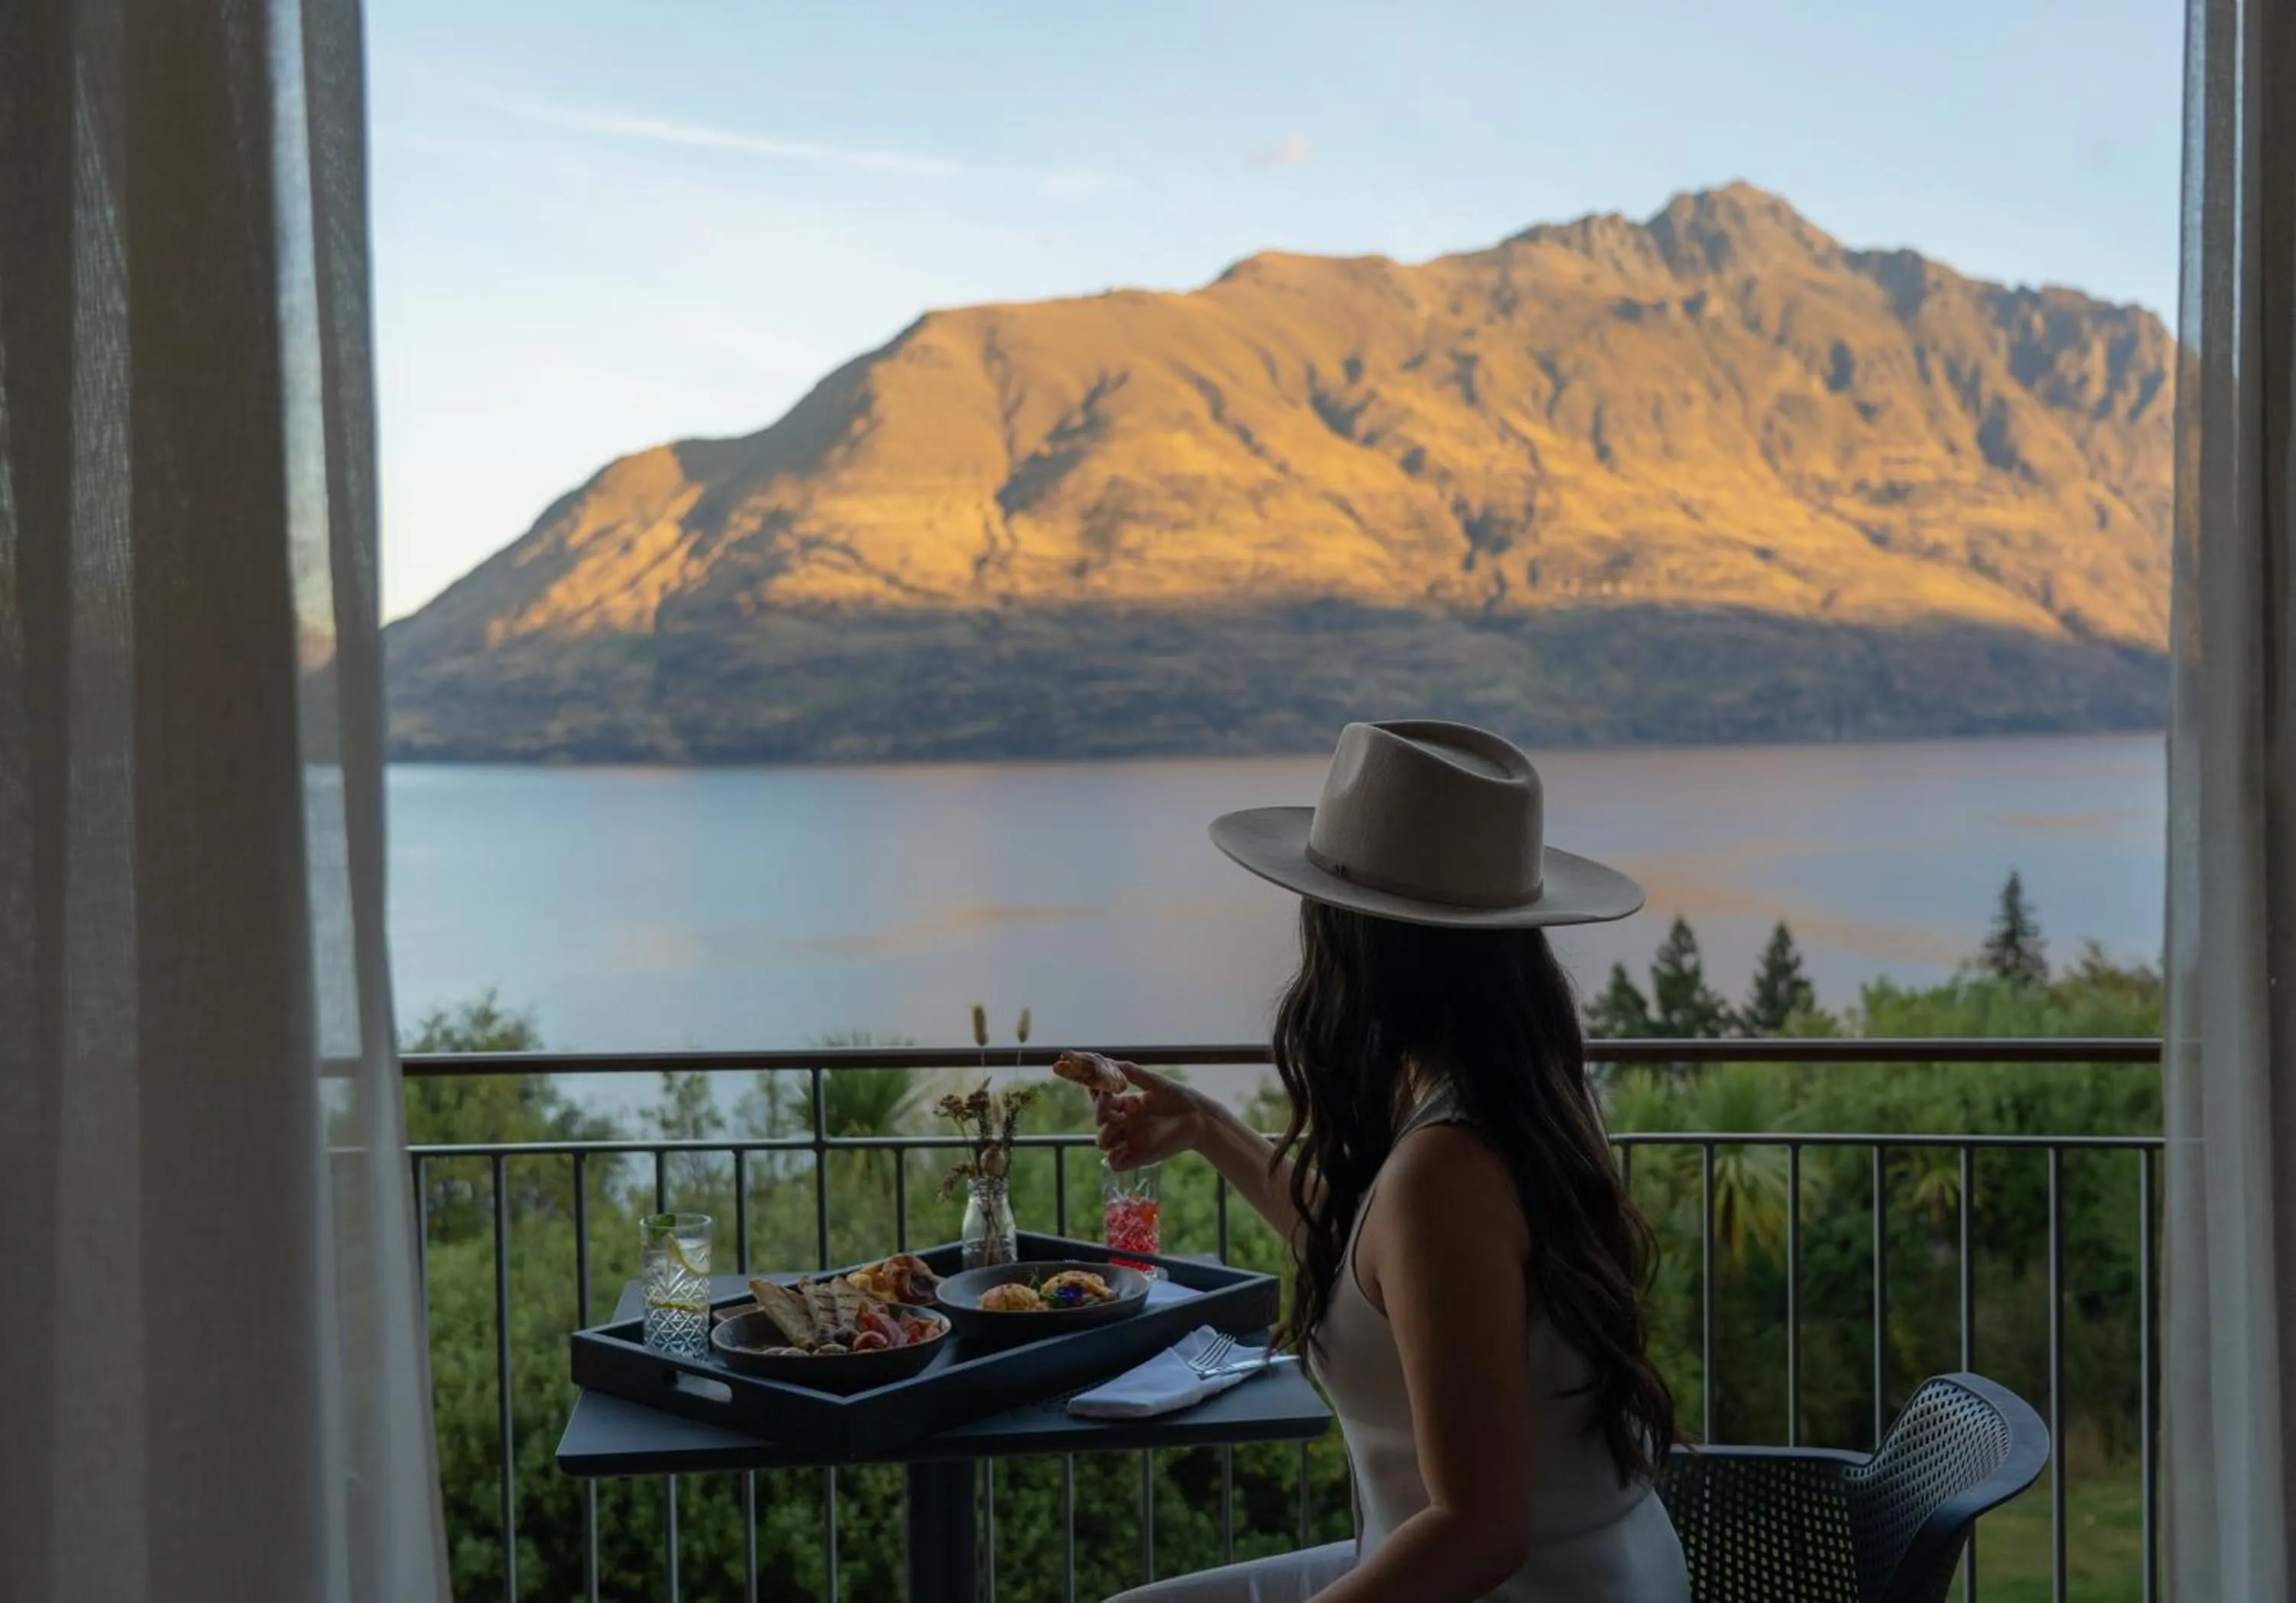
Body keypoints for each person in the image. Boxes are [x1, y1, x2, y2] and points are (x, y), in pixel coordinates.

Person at [1094, 720, 1690, 1602]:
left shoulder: (1446, 1173)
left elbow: (1479, 1533)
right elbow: (1373, 1272)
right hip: (1599, 1571)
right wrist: (1211, 1128)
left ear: (1357, 940)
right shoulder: (1516, 1104)